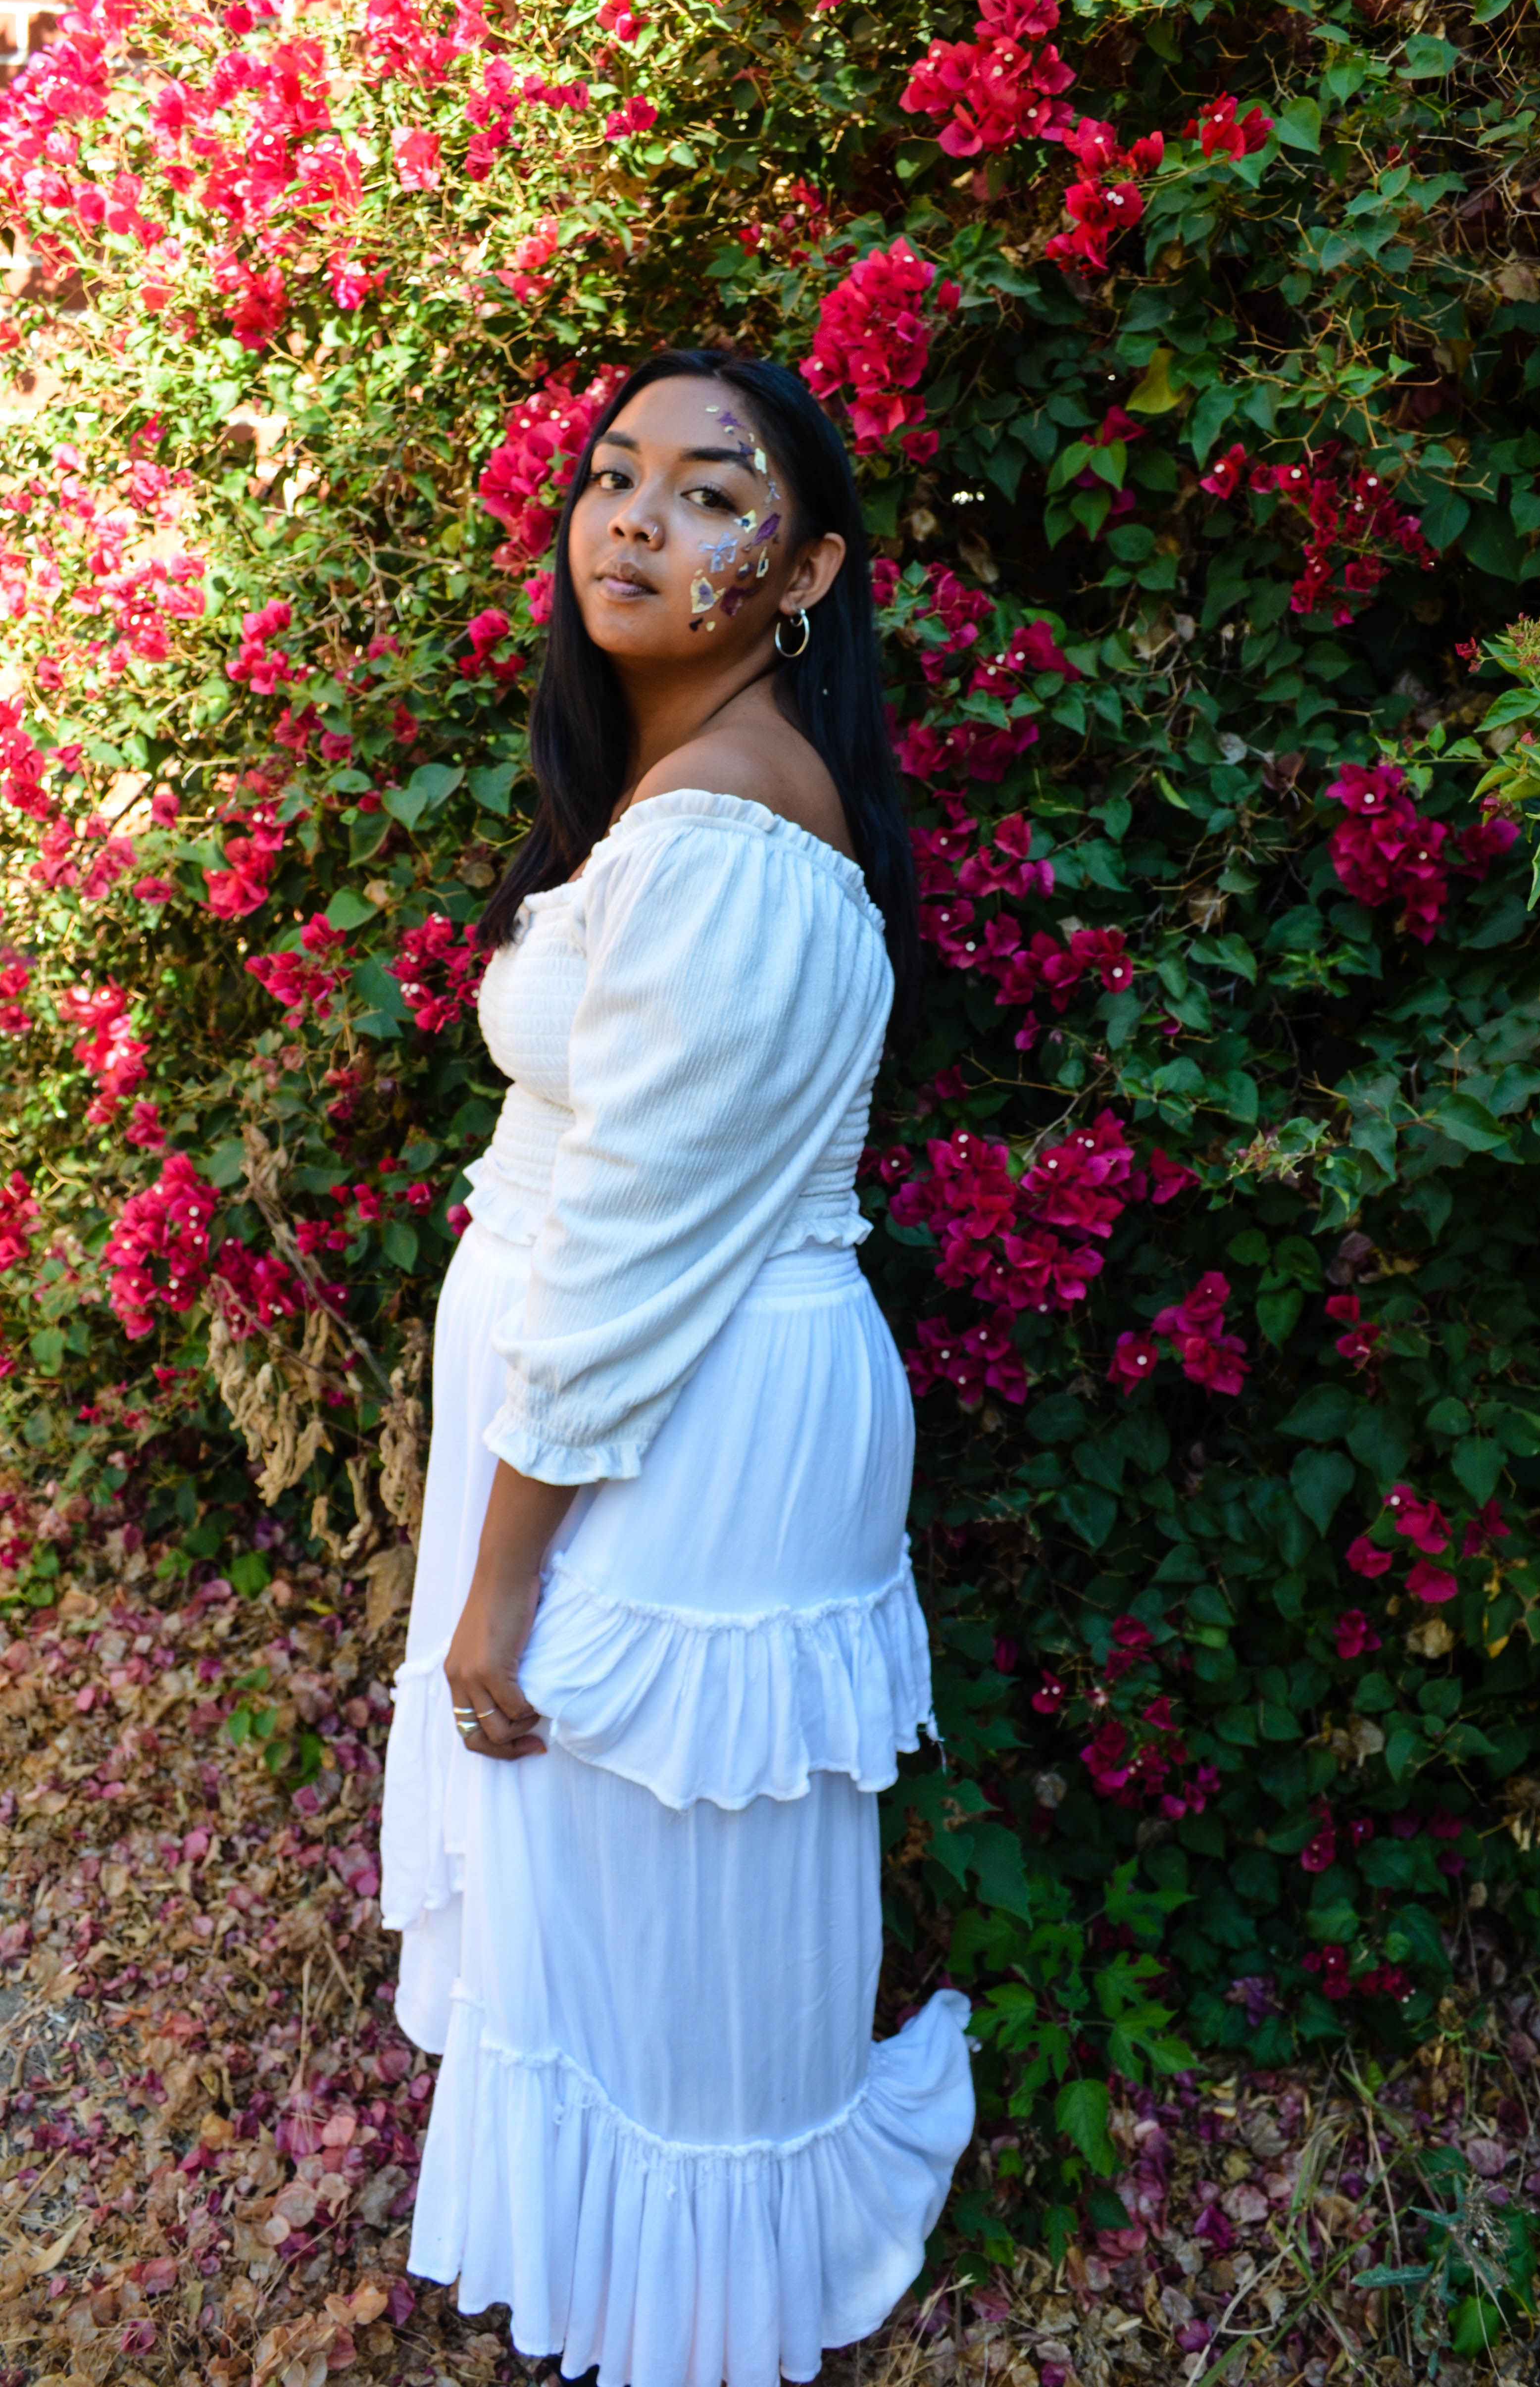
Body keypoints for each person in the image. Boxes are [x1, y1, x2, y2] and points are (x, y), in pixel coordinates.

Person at [378, 348, 975, 2387]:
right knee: (619, 1871)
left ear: (802, 571)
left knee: (658, 1863)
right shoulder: (684, 782)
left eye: (714, 494)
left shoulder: (727, 826)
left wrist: (497, 1585)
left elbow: (636, 1254)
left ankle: (716, 2289)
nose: (639, 519)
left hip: (680, 1419)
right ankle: (632, 2251)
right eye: (616, 474)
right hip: (643, 1400)